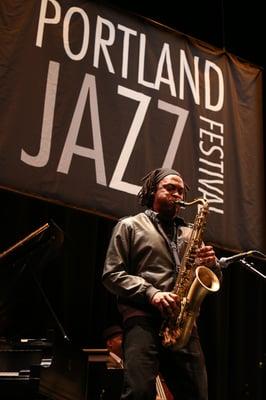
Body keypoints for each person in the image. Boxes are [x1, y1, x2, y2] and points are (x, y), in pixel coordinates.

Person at [102, 168, 222, 400]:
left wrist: (211, 265)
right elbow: (111, 274)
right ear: (152, 192)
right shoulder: (130, 226)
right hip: (143, 320)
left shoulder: (189, 233)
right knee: (139, 393)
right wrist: (151, 293)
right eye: (170, 188)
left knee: (197, 394)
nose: (177, 194)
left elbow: (207, 278)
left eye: (181, 190)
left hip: (182, 324)